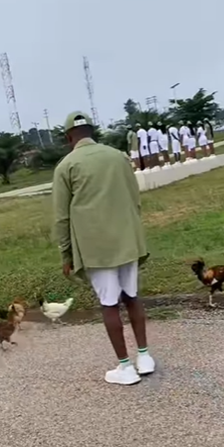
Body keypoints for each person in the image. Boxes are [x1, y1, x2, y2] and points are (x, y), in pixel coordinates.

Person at [51, 111, 155, 385]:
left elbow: (62, 216)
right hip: (127, 241)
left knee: (109, 304)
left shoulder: (66, 166)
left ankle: (125, 367)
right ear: (92, 131)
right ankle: (144, 357)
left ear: (68, 137)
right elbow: (135, 199)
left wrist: (66, 254)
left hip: (96, 248)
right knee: (132, 296)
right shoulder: (117, 156)